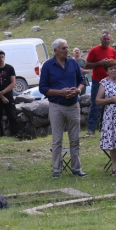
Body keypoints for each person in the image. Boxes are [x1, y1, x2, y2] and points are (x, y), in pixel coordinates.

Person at [39, 38, 87, 178]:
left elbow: (82, 81)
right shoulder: (48, 66)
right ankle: (56, 169)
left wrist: (78, 90)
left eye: (67, 48)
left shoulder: (73, 63)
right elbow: (43, 88)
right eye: (63, 48)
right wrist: (60, 92)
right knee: (57, 139)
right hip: (56, 106)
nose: (67, 50)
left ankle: (76, 168)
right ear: (55, 50)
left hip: (73, 105)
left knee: (75, 138)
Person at [85, 30, 116, 135]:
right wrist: (100, 63)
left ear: (110, 40)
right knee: (95, 104)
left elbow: (115, 65)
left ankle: (104, 127)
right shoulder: (94, 50)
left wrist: (110, 63)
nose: (106, 41)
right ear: (100, 39)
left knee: (107, 104)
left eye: (108, 39)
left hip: (109, 81)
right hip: (97, 81)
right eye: (104, 39)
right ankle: (91, 128)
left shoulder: (112, 51)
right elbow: (87, 65)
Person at [0, 50, 19, 137]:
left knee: (12, 116)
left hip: (8, 96)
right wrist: (1, 96)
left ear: (4, 58)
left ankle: (15, 135)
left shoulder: (10, 68)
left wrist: (3, 92)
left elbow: (13, 83)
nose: (1, 59)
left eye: (2, 57)